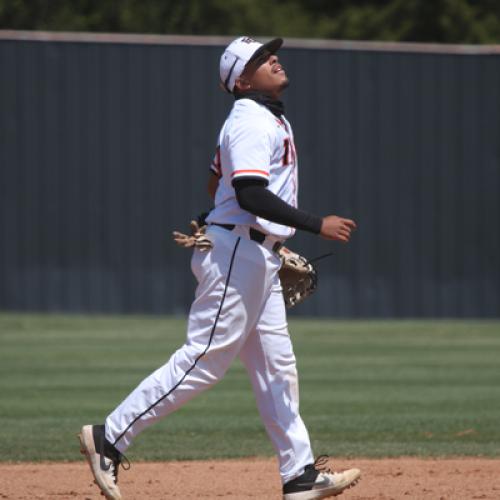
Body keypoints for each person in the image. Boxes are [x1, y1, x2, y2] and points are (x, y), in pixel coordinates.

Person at [79, 36, 360, 500]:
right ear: (242, 79)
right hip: (238, 254)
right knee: (205, 360)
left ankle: (299, 475)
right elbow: (248, 192)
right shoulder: (250, 120)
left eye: (271, 52)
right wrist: (313, 225)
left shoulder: (263, 117)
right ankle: (109, 436)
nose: (273, 57)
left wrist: (266, 238)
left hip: (254, 252)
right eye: (259, 58)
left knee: (277, 367)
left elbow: (218, 183)